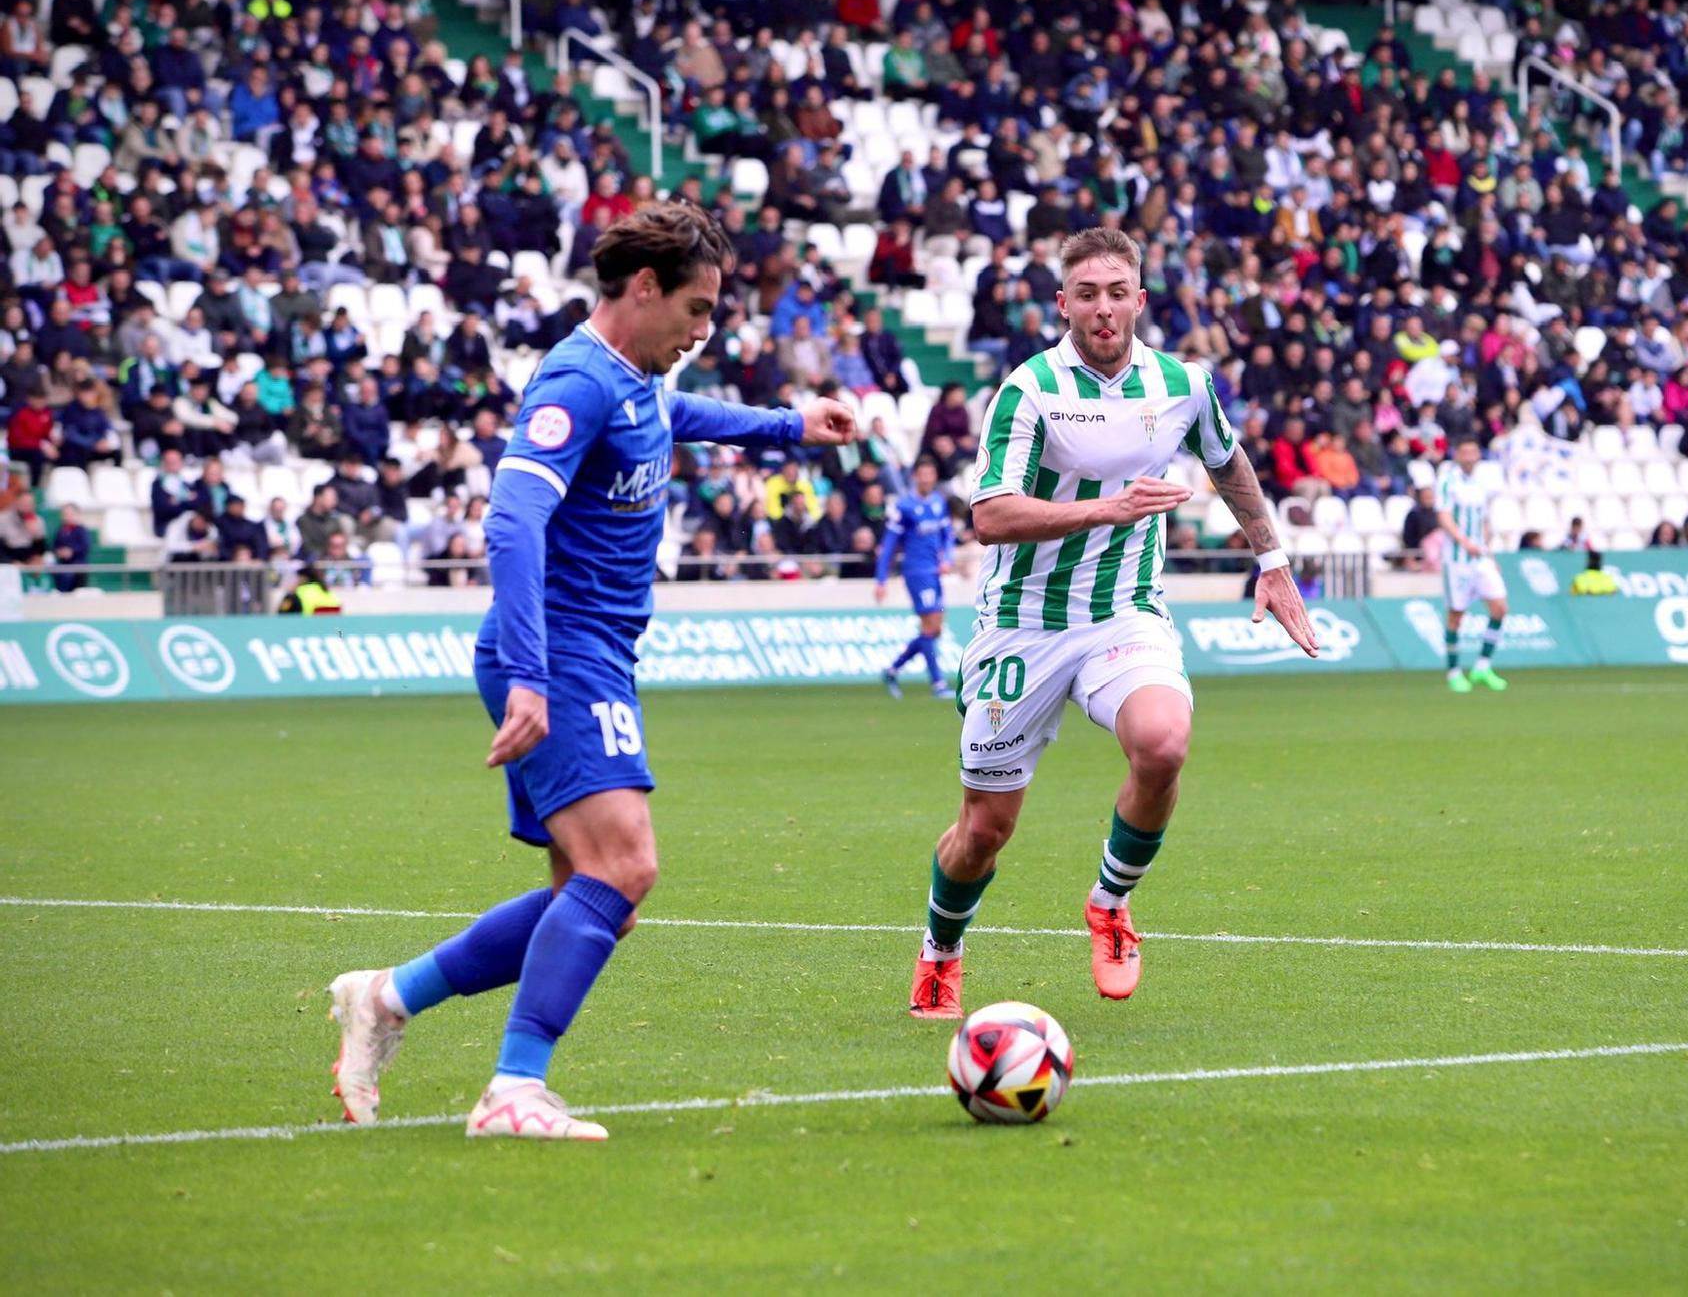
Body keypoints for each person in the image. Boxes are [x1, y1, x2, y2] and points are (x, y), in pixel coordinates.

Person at [325, 203, 856, 1141]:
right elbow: (511, 521)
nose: (706, 331)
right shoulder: (576, 379)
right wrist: (531, 676)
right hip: (559, 653)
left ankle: (388, 997)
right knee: (626, 867)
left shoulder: (637, 377)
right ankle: (512, 1091)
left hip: (589, 653)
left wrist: (789, 426)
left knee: (596, 900)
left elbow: (673, 415)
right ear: (642, 288)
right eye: (696, 310)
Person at [905, 228, 1318, 1021]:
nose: (1102, 307)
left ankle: (1110, 902)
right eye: (1085, 293)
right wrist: (1110, 507)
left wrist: (1271, 559)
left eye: (1116, 291)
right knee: (984, 830)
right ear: (1062, 304)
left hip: (1124, 612)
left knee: (1164, 741)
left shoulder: (1181, 384)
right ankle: (940, 951)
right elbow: (989, 517)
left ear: (1138, 299)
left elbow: (1227, 459)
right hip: (1021, 626)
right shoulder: (1028, 392)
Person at [875, 456, 955, 698]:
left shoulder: (938, 502)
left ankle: (892, 670)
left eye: (931, 474)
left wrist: (947, 559)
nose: (927, 478)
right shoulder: (904, 507)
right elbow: (889, 544)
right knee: (930, 626)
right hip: (917, 572)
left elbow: (947, 534)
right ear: (915, 477)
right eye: (923, 474)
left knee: (934, 629)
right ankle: (938, 684)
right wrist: (881, 579)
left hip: (934, 571)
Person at [1433, 437, 1509, 693]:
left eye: (1473, 452)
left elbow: (1484, 522)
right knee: (1456, 615)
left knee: (1499, 607)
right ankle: (1454, 672)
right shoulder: (1447, 481)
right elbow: (1443, 516)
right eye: (1464, 451)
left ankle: (1482, 667)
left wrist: (1491, 555)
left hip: (1481, 558)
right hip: (1457, 560)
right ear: (1457, 455)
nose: (1469, 456)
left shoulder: (1479, 485)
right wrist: (1463, 541)